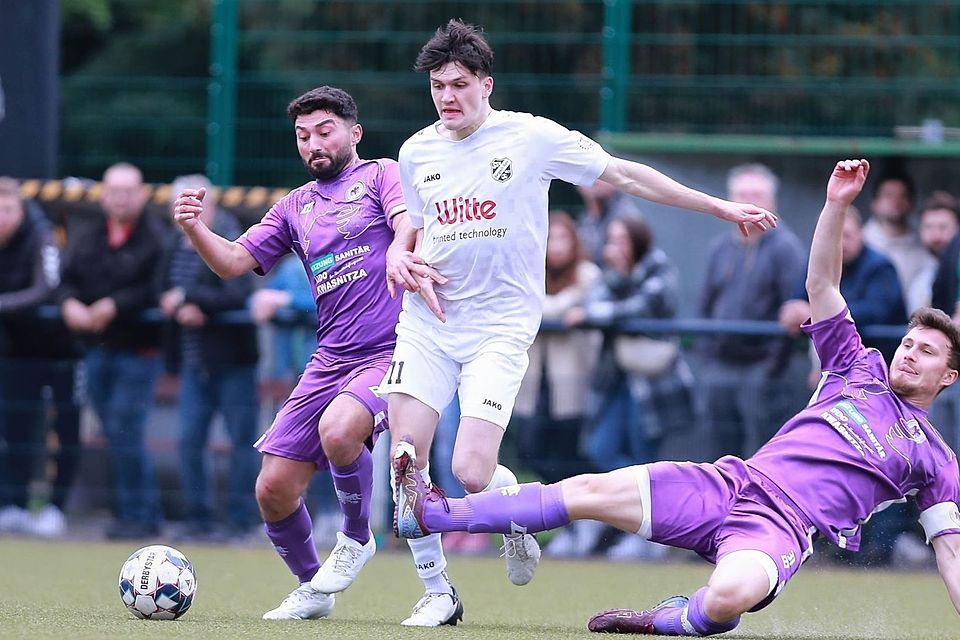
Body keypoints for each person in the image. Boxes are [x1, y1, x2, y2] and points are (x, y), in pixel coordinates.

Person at [392, 159, 960, 635]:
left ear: (949, 377)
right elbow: (822, 287)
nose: (908, 354)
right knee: (586, 489)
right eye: (908, 343)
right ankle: (432, 514)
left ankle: (672, 620)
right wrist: (836, 205)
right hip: (730, 484)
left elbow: (950, 553)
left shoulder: (935, 457)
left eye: (926, 352)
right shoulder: (857, 368)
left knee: (729, 596)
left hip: (780, 530)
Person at [378, 18, 776, 623]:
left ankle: (511, 515)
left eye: (458, 83)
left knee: (469, 472)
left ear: (487, 83)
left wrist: (717, 206)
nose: (446, 97)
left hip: (500, 328)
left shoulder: (531, 138)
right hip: (428, 322)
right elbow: (413, 218)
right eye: (437, 86)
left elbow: (621, 174)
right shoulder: (417, 150)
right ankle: (438, 593)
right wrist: (396, 252)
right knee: (406, 458)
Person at [171, 86, 448, 624]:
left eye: (325, 131)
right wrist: (195, 228)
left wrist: (397, 247)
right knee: (273, 489)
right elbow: (232, 261)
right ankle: (312, 588)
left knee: (342, 430)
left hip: (394, 350)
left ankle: (355, 537)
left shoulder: (382, 175)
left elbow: (405, 224)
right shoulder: (294, 206)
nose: (314, 143)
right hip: (331, 357)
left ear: (354, 133)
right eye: (303, 136)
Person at [57, 162, 166, 540]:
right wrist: (69, 302)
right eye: (114, 191)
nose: (120, 198)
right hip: (97, 350)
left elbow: (155, 290)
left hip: (138, 351)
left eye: (127, 191)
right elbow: (66, 281)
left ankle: (143, 515)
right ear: (103, 195)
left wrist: (114, 305)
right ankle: (130, 512)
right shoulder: (88, 236)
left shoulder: (155, 237)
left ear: (140, 194)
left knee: (126, 430)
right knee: (114, 430)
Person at [158, 174, 260, 540]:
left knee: (240, 442)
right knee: (189, 441)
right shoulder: (174, 242)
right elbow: (163, 287)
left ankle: (240, 519)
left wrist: (190, 301)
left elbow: (238, 290)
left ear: (211, 205)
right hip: (192, 360)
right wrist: (174, 304)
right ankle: (197, 519)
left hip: (232, 360)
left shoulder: (234, 238)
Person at [696, 163, 807, 459]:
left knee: (764, 451)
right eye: (741, 195)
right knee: (719, 452)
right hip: (720, 365)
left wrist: (772, 367)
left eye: (756, 195)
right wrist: (707, 357)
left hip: (764, 368)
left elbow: (796, 307)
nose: (748, 202)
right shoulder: (720, 247)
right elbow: (704, 304)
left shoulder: (785, 248)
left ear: (772, 202)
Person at [0, 178, 81, 537]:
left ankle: (55, 508)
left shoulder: (42, 235)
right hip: (17, 351)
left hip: (60, 350)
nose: (1, 217)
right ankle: (14, 504)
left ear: (20, 208)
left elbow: (46, 287)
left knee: (64, 428)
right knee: (15, 429)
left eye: (6, 210)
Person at [862, 172, 936, 313]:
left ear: (911, 203)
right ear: (874, 203)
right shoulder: (861, 242)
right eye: (888, 195)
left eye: (902, 196)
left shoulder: (924, 244)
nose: (895, 201)